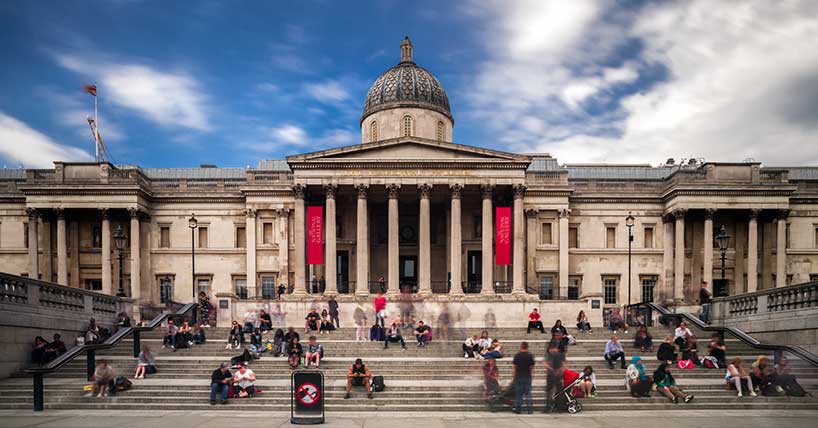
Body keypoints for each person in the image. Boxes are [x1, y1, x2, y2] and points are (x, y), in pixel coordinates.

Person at [511, 341, 535, 414]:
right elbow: (532, 368)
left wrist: (513, 377)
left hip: (518, 377)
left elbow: (514, 368)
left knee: (518, 394)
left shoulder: (517, 355)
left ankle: (518, 409)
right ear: (527, 347)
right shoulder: (530, 356)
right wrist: (532, 377)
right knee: (528, 394)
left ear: (521, 347)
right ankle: (530, 410)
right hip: (527, 377)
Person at [542, 341, 565, 412]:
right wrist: (559, 371)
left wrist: (551, 369)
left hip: (551, 375)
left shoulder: (550, 354)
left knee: (549, 391)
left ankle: (548, 407)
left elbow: (546, 364)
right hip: (559, 375)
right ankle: (560, 408)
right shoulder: (561, 354)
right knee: (559, 391)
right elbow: (564, 365)